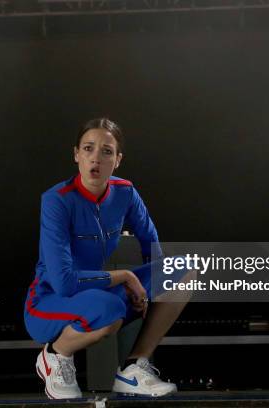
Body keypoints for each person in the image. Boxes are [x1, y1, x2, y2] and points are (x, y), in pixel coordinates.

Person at [23, 118, 189, 399]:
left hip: (96, 294)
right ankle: (55, 355)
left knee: (185, 267)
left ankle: (134, 368)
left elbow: (152, 244)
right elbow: (63, 283)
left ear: (118, 160)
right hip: (48, 303)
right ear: (76, 154)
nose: (96, 158)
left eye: (106, 151)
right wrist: (126, 277)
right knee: (110, 311)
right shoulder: (57, 200)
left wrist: (153, 292)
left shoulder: (125, 192)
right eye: (88, 148)